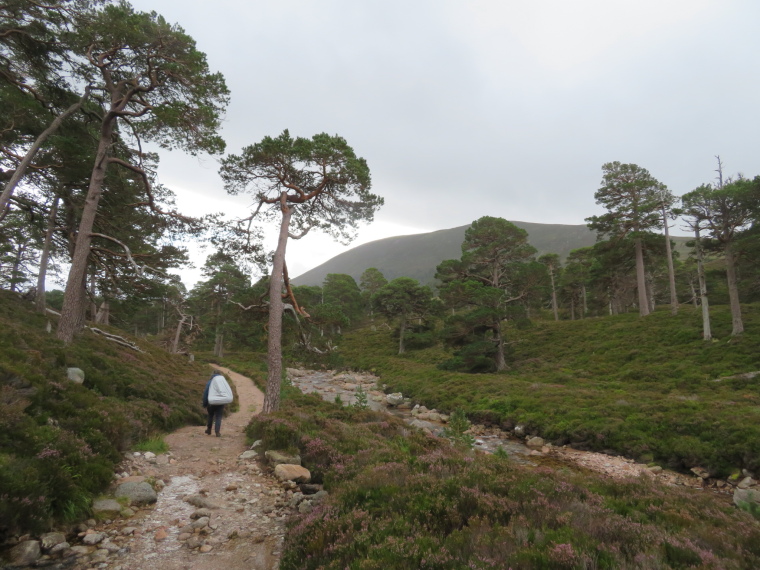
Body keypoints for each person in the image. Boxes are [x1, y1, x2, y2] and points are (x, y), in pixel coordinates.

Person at [203, 370, 225, 437]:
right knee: (218, 417)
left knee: (210, 415)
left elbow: (206, 393)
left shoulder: (210, 382)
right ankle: (217, 432)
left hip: (211, 402)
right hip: (220, 403)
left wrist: (205, 403)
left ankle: (209, 429)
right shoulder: (223, 383)